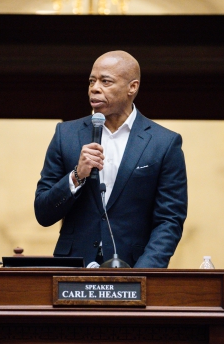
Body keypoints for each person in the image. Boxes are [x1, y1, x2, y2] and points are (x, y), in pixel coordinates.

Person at [34, 50, 187, 268]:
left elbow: (169, 220)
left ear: (132, 87)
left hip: (134, 268)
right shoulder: (65, 135)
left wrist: (143, 274)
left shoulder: (164, 143)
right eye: (91, 81)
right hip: (73, 271)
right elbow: (43, 212)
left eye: (106, 81)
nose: (94, 88)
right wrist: (77, 175)